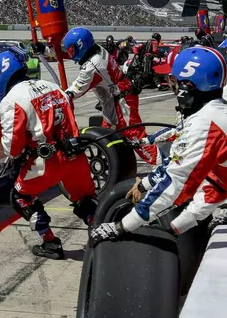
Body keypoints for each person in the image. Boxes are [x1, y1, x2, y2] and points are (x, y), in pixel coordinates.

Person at [90, 46, 227, 244]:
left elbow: (174, 183)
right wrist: (147, 185)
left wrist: (121, 226)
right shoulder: (212, 110)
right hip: (219, 181)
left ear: (189, 84)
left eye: (173, 79)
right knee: (182, 216)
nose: (170, 84)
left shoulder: (205, 125)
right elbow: (189, 165)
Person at [0, 48, 97, 260]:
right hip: (75, 154)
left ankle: (50, 243)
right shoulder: (53, 86)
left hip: (46, 161)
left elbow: (12, 147)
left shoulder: (12, 100)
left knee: (21, 197)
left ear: (2, 73)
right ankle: (103, 240)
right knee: (85, 200)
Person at [63, 27, 161, 166]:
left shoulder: (92, 66)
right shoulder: (96, 48)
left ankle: (163, 167)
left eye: (72, 50)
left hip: (121, 102)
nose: (70, 54)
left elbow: (75, 90)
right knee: (105, 137)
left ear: (81, 46)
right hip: (116, 98)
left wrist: (58, 96)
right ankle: (114, 166)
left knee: (135, 137)